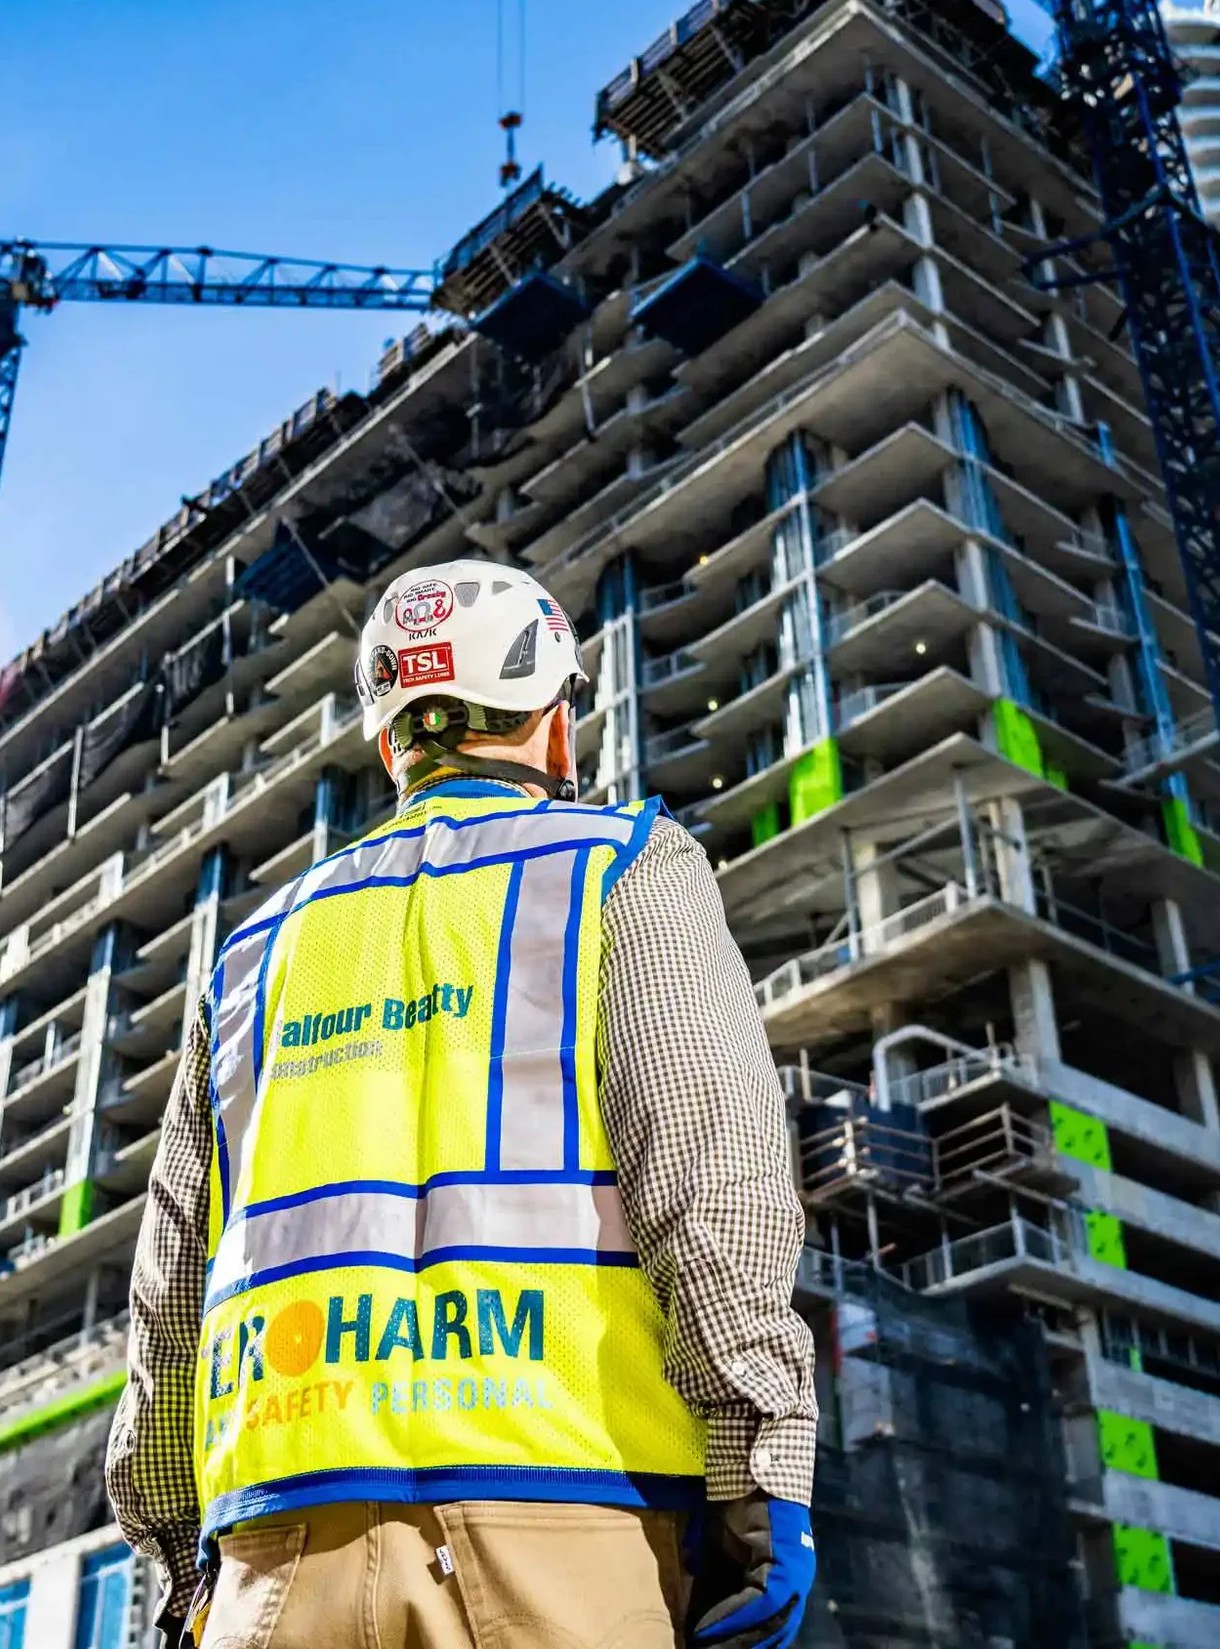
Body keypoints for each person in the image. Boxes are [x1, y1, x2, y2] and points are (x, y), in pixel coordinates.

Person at [105, 557, 818, 1648]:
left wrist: (176, 1553)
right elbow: (712, 1188)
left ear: (391, 741)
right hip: (566, 1529)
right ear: (555, 726)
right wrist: (759, 1473)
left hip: (273, 1557)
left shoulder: (251, 958)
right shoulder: (623, 870)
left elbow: (170, 1292)